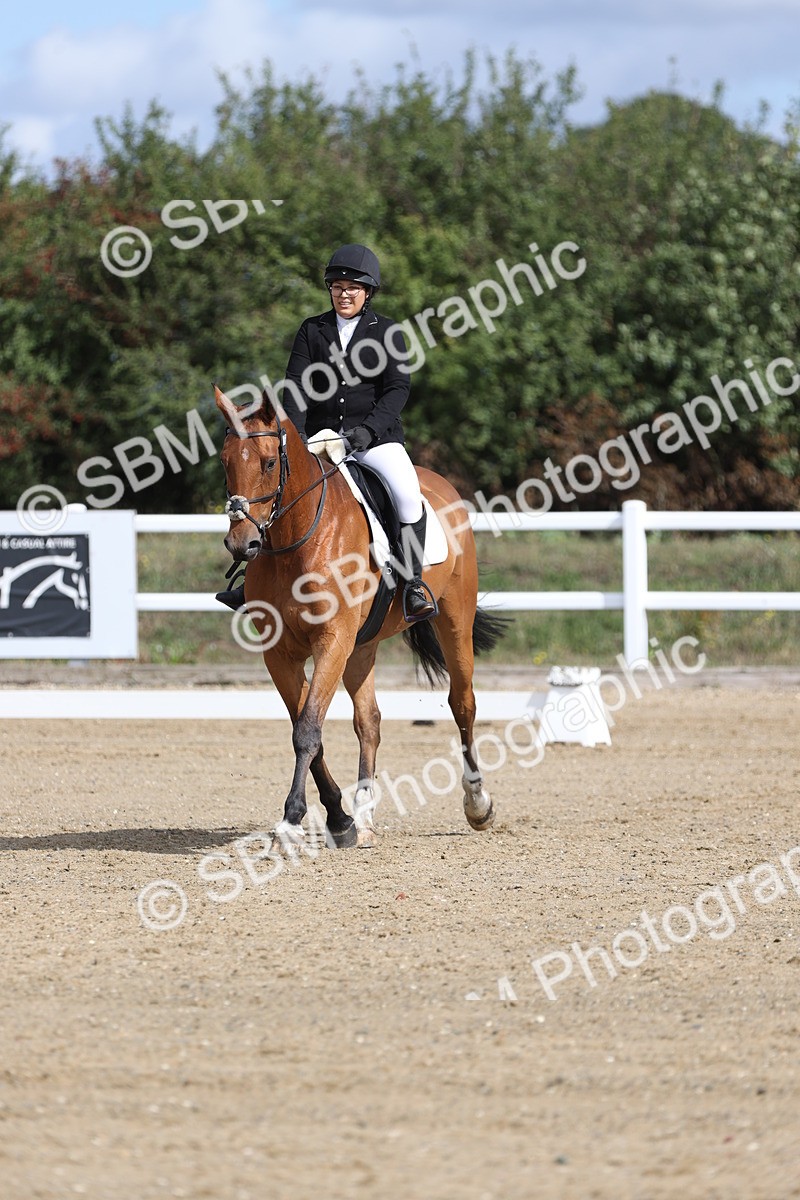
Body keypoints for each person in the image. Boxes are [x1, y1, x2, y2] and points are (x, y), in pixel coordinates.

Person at [216, 243, 436, 622]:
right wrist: (298, 439)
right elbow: (297, 386)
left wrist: (368, 432)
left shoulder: (386, 331)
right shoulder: (312, 330)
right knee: (276, 489)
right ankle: (251, 580)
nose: (344, 293)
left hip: (374, 441)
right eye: (337, 286)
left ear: (367, 293)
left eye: (352, 287)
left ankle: (412, 583)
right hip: (320, 440)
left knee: (406, 492)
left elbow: (397, 389)